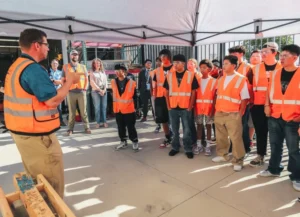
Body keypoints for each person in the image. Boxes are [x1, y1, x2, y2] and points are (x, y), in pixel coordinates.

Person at [4, 28, 79, 198]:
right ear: (36, 45)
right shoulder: (33, 70)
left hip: (22, 133)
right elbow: (52, 101)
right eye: (46, 44)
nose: (48, 48)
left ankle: (34, 206)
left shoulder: (16, 66)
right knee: (50, 181)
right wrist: (70, 81)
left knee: (33, 175)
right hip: (37, 136)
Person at [260, 44, 300, 192]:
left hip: (293, 118)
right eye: (281, 55)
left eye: (285, 56)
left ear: (295, 58)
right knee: (275, 145)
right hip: (275, 115)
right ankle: (274, 169)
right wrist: (266, 105)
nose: (281, 58)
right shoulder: (276, 73)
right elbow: (268, 91)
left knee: (293, 150)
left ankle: (297, 176)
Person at [212, 55, 249, 171]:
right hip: (220, 112)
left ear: (233, 65)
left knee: (235, 138)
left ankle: (238, 160)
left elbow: (245, 98)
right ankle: (222, 155)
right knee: (220, 136)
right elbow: (218, 95)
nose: (223, 66)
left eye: (226, 63)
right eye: (223, 63)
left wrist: (240, 112)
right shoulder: (221, 78)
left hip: (233, 113)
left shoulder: (241, 79)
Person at [249, 42, 282, 167]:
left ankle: (275, 160)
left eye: (266, 52)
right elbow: (250, 86)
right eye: (261, 52)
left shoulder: (282, 68)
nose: (262, 54)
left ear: (274, 53)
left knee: (276, 134)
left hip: (276, 105)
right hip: (258, 105)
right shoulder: (255, 69)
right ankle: (260, 155)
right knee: (260, 131)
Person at [164, 54, 198, 159]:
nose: (175, 64)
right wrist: (168, 106)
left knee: (187, 130)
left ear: (183, 64)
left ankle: (188, 148)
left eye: (177, 62)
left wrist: (190, 106)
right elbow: (166, 92)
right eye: (174, 62)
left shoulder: (191, 75)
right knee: (174, 129)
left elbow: (193, 92)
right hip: (173, 107)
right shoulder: (169, 75)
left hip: (185, 107)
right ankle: (175, 147)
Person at [229, 45, 253, 155]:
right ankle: (233, 145)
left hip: (244, 101)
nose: (232, 56)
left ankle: (245, 147)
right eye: (231, 54)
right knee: (232, 126)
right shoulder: (230, 67)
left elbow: (251, 85)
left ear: (241, 54)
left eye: (234, 54)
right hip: (231, 102)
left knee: (243, 125)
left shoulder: (248, 67)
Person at [62, 50, 91, 136]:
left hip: (81, 91)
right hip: (71, 92)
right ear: (70, 56)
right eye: (73, 55)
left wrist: (85, 88)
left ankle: (87, 127)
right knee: (72, 112)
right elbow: (62, 80)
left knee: (83, 111)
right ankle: (70, 129)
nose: (75, 56)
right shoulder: (65, 67)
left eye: (76, 55)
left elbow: (86, 79)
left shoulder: (83, 67)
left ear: (78, 56)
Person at [112, 64, 139, 152]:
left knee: (131, 126)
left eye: (118, 70)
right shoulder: (113, 82)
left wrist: (137, 108)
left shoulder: (131, 82)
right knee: (120, 126)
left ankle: (134, 141)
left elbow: (135, 97)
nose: (116, 72)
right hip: (118, 109)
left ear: (123, 71)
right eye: (115, 70)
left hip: (129, 109)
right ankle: (123, 141)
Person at [194, 59, 217, 156]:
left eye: (204, 68)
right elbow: (194, 95)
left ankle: (208, 145)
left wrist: (213, 109)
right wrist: (194, 108)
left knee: (208, 126)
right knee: (199, 125)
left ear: (210, 69)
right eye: (201, 68)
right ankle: (199, 145)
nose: (202, 69)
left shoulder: (214, 81)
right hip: (198, 107)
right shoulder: (197, 81)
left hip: (209, 107)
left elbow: (215, 96)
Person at [152, 49, 174, 148]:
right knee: (163, 119)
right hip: (160, 98)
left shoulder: (174, 69)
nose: (162, 58)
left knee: (173, 120)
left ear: (169, 57)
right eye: (161, 56)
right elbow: (155, 85)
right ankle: (168, 137)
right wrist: (155, 97)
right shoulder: (157, 71)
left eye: (164, 56)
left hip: (173, 97)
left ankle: (175, 138)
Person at [187, 58, 206, 147]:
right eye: (188, 64)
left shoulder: (199, 75)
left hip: (198, 101)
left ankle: (202, 139)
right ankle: (193, 138)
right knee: (190, 121)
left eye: (191, 64)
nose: (189, 65)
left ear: (195, 65)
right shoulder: (186, 75)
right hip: (188, 101)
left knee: (199, 122)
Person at [89, 58, 108, 128]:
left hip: (104, 91)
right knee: (97, 107)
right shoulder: (92, 72)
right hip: (95, 91)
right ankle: (98, 122)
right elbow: (92, 82)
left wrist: (104, 89)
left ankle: (104, 121)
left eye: (98, 63)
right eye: (95, 63)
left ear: (100, 64)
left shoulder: (103, 72)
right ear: (93, 64)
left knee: (104, 107)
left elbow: (106, 81)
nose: (97, 64)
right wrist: (100, 90)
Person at [49, 59, 66, 126]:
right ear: (51, 64)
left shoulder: (60, 72)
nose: (55, 64)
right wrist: (56, 81)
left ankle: (60, 121)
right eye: (53, 63)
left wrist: (53, 80)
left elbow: (62, 82)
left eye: (56, 63)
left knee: (59, 108)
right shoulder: (48, 72)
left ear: (58, 65)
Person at [149, 57, 162, 133]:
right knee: (156, 111)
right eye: (157, 61)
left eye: (159, 61)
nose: (158, 63)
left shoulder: (166, 72)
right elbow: (150, 83)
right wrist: (152, 93)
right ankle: (158, 125)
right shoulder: (153, 72)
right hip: (155, 94)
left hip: (163, 94)